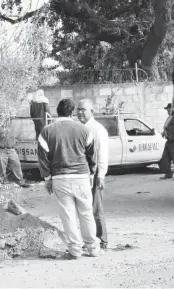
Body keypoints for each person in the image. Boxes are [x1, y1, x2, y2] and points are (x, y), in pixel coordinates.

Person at [37, 98, 101, 259]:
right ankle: (93, 248)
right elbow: (92, 155)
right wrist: (92, 174)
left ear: (56, 110)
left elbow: (43, 158)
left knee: (68, 215)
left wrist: (47, 179)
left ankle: (75, 250)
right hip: (81, 176)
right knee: (86, 213)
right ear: (72, 112)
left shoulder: (46, 131)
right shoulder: (84, 130)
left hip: (60, 178)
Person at [76, 98, 109, 250]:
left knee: (95, 208)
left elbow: (102, 154)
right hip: (80, 174)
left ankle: (102, 240)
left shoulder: (97, 129)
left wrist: (101, 175)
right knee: (84, 209)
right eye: (78, 109)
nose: (80, 112)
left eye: (83, 110)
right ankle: (88, 240)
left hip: (94, 174)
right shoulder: (77, 128)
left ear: (92, 112)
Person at [0, 117, 31, 188]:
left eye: (7, 119)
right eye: (3, 119)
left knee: (17, 165)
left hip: (11, 149)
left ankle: (20, 182)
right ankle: (3, 182)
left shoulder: (11, 127)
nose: (6, 120)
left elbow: (16, 136)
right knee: (2, 167)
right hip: (0, 149)